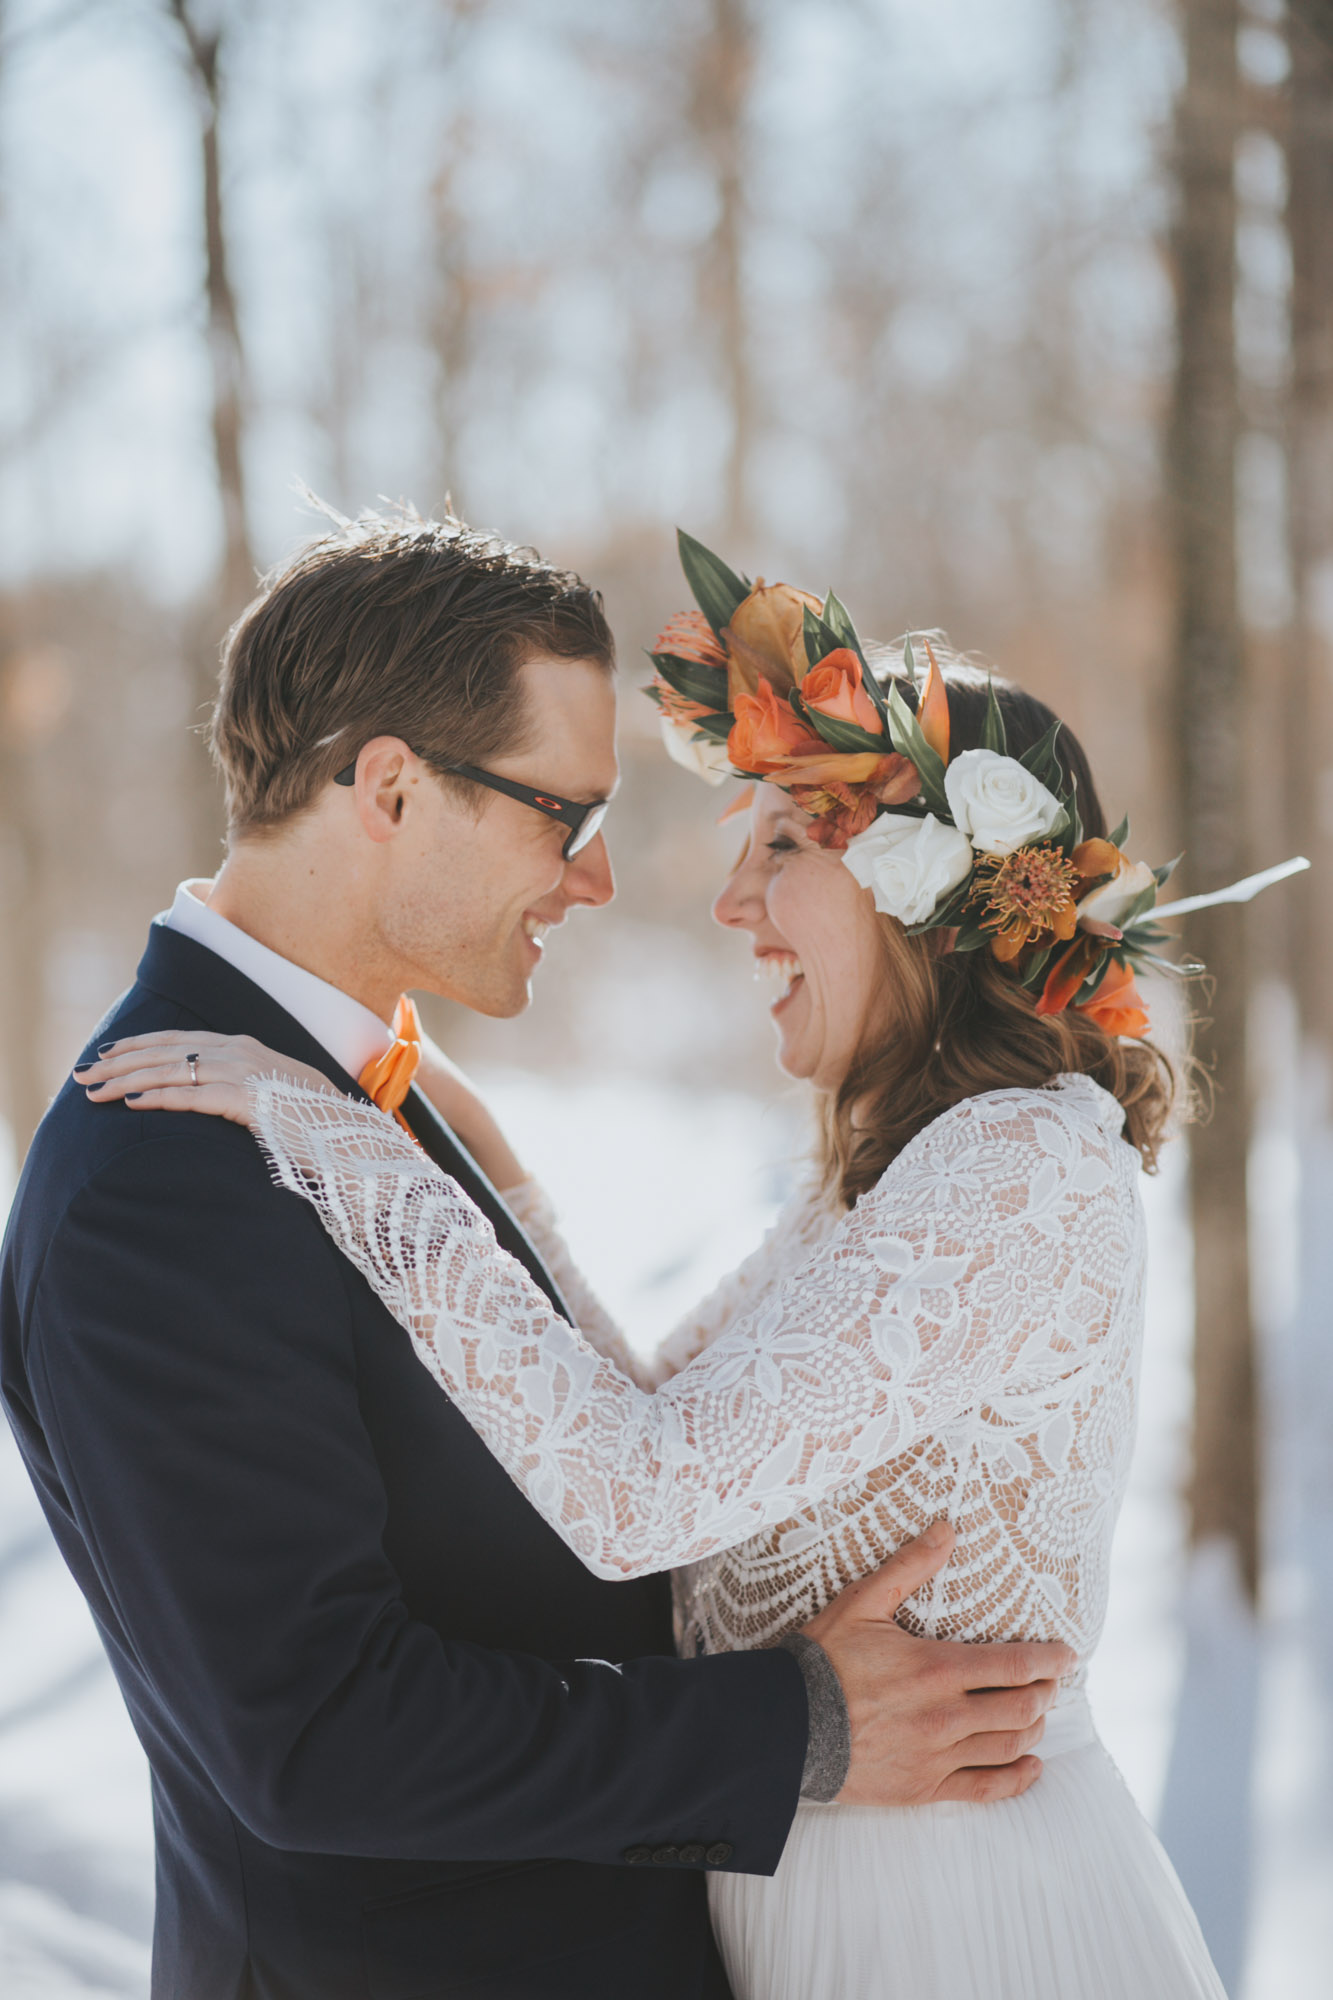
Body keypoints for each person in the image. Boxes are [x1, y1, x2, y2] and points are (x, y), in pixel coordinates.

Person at [78, 535, 1246, 1998]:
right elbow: (647, 1433)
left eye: (780, 850)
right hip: (801, 1895)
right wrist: (483, 1169)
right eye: (563, 814)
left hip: (950, 1918)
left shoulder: (1013, 1168)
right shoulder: (889, 1179)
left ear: (920, 899)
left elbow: (637, 1490)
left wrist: (347, 1145)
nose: (720, 901)